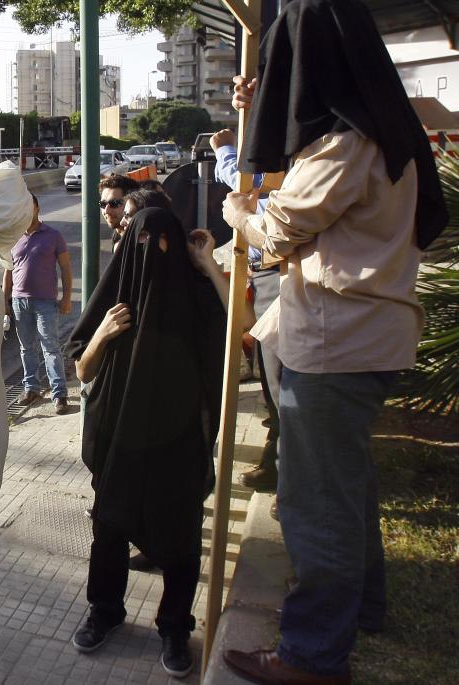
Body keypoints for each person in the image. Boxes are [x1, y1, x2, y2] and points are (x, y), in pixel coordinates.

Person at [219, 2, 447, 684]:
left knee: (316, 502)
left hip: (334, 339)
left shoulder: (346, 142)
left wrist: (237, 212)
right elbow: (302, 172)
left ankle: (313, 654)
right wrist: (260, 107)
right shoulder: (378, 122)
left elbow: (280, 223)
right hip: (363, 336)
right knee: (346, 487)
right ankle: (363, 607)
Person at [68, 208, 226, 679]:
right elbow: (82, 369)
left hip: (178, 442)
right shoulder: (117, 301)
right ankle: (105, 610)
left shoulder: (196, 297)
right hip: (121, 438)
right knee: (110, 528)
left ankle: (175, 626)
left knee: (180, 537)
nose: (153, 254)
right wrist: (100, 336)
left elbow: (245, 325)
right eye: (143, 244)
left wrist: (208, 263)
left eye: (164, 244)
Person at [211, 127, 281, 493]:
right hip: (267, 273)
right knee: (272, 383)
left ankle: (287, 476)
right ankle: (278, 462)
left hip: (279, 271)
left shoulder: (301, 150)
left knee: (282, 385)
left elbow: (244, 179)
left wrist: (225, 150)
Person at [2, 194, 73, 413]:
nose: (25, 211)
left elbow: (66, 269)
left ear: (37, 208)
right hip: (19, 302)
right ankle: (31, 388)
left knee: (50, 347)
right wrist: (5, 302)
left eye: (29, 206)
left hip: (45, 302)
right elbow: (8, 272)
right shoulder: (14, 238)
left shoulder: (53, 236)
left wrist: (67, 297)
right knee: (26, 348)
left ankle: (59, 394)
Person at [98, 174, 140, 252]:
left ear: (132, 203)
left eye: (114, 203)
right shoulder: (118, 238)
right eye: (103, 204)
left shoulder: (141, 244)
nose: (106, 211)